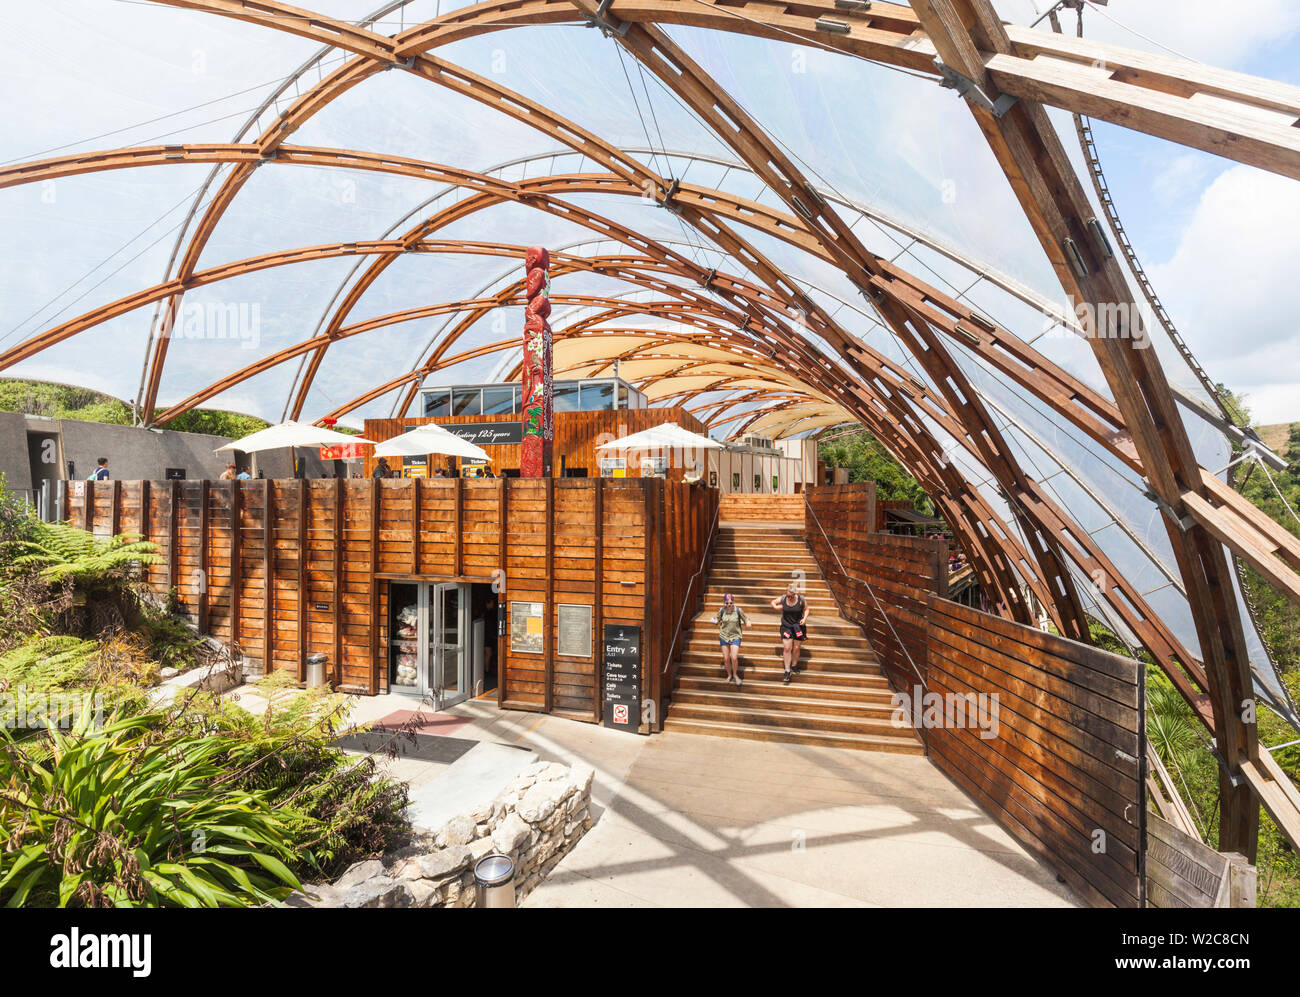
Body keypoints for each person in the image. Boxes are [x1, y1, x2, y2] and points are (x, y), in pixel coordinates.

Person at [771, 581, 808, 684]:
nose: (789, 598)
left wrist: (804, 618)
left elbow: (807, 609)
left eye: (791, 596)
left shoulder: (801, 600)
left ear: (795, 594)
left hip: (798, 626)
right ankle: (787, 670)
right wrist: (776, 607)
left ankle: (794, 665)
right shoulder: (783, 598)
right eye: (788, 596)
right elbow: (773, 602)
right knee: (787, 648)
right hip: (786, 626)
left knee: (796, 648)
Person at [714, 593, 749, 687]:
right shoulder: (721, 611)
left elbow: (746, 619)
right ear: (724, 603)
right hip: (724, 635)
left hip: (735, 636)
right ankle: (729, 675)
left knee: (733, 657)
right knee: (726, 658)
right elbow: (717, 620)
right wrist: (714, 621)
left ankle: (735, 675)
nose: (729, 605)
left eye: (731, 603)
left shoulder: (738, 610)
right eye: (727, 603)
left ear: (733, 602)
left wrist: (748, 622)